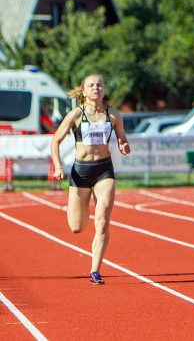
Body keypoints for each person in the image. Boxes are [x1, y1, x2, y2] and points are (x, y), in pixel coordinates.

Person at [50, 74, 131, 285]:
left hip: (104, 169)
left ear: (104, 90)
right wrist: (58, 166)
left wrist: (124, 146)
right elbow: (55, 141)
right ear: (84, 91)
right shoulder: (76, 115)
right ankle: (83, 208)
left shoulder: (113, 116)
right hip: (81, 171)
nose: (96, 88)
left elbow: (123, 140)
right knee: (76, 227)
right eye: (91, 85)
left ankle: (95, 270)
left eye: (100, 85)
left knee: (102, 221)